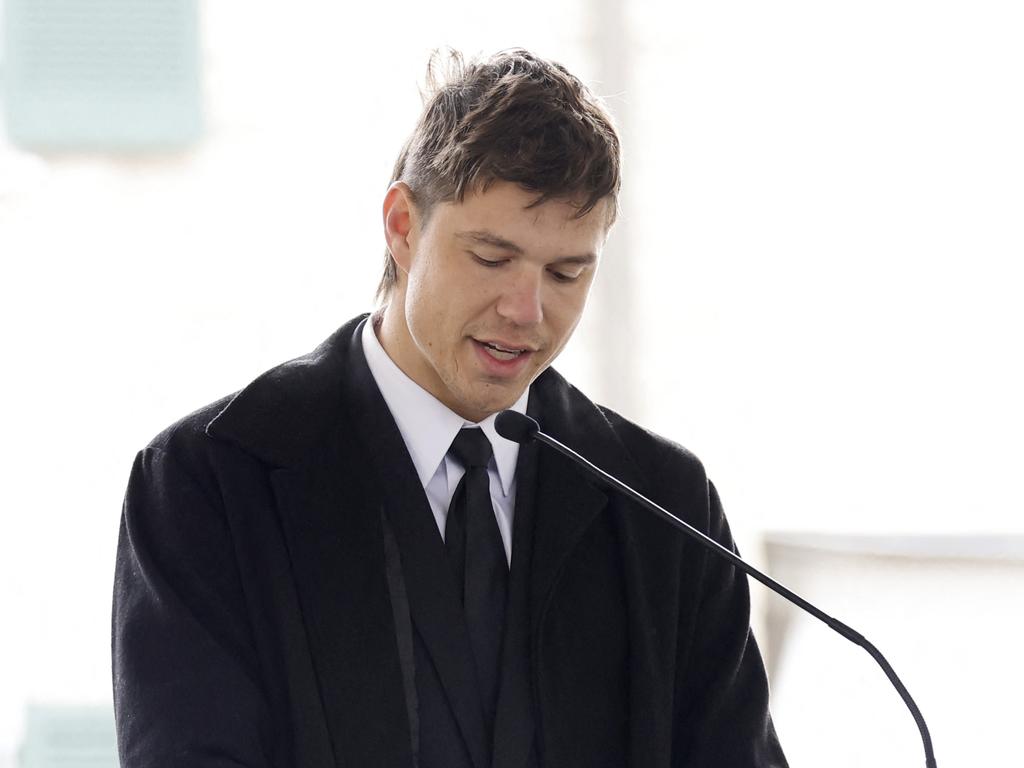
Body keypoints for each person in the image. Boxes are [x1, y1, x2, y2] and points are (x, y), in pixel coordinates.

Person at [112, 48, 787, 768]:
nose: (527, 311)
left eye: (566, 272)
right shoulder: (207, 482)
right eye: (492, 258)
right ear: (402, 226)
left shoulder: (668, 508)